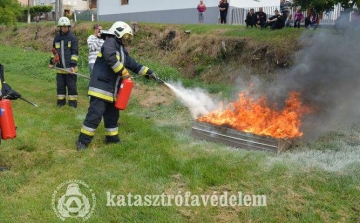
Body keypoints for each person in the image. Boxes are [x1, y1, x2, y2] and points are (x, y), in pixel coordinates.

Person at [76, 21, 159, 150]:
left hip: (111, 90)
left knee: (112, 116)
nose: (127, 40)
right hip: (101, 87)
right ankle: (82, 142)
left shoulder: (121, 49)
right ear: (118, 32)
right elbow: (110, 58)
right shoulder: (110, 42)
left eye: (129, 38)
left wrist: (148, 72)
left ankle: (112, 139)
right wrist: (124, 72)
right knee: (95, 115)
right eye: (126, 36)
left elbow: (133, 64)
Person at [49, 17, 79, 108]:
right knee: (60, 87)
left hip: (70, 69)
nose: (64, 28)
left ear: (69, 27)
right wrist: (51, 62)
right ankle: (60, 103)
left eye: (66, 27)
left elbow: (75, 53)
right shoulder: (57, 38)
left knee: (71, 87)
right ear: (60, 27)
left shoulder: (73, 38)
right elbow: (54, 52)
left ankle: (72, 104)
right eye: (63, 27)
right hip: (60, 69)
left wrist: (73, 65)